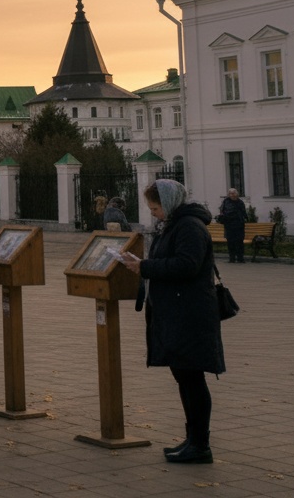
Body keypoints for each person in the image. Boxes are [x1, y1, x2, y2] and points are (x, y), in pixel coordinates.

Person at [122, 180, 224, 464]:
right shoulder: (176, 224)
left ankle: (200, 444)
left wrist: (143, 267)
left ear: (168, 203)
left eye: (155, 207)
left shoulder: (189, 226)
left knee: (192, 378)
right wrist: (143, 264)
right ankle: (192, 440)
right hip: (179, 312)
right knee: (185, 377)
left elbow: (186, 265)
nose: (153, 212)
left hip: (190, 314)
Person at [217, 189, 247, 264]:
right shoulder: (226, 202)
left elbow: (243, 212)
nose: (232, 195)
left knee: (239, 242)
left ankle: (240, 258)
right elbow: (222, 211)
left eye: (233, 193)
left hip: (238, 225)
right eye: (230, 193)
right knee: (230, 242)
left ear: (237, 194)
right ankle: (232, 258)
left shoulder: (240, 202)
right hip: (229, 225)